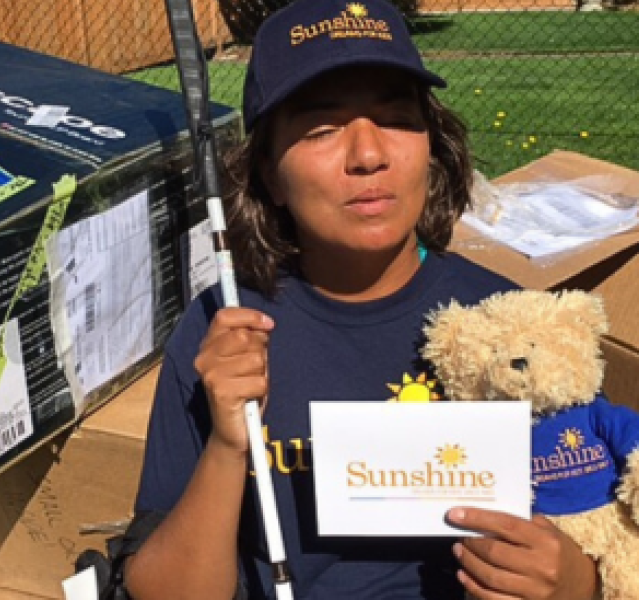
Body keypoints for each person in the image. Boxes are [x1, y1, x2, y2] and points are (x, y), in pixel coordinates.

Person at [123, 0, 601, 597]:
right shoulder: (223, 330)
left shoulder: (516, 326)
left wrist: (575, 582)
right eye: (322, 129)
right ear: (268, 172)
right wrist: (227, 446)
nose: (369, 155)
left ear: (432, 146)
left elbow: (605, 542)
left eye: (397, 119)